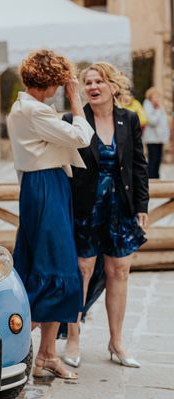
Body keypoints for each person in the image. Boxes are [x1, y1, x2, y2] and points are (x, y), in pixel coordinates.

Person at [7, 49, 94, 380]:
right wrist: (76, 101)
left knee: (43, 267)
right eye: (59, 84)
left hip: (41, 186)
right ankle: (29, 352)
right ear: (50, 83)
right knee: (56, 266)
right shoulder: (34, 111)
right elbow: (82, 137)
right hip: (46, 187)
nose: (62, 89)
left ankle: (45, 354)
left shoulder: (24, 108)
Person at [63, 62, 148, 369]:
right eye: (88, 82)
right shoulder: (74, 119)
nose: (93, 87)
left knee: (119, 271)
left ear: (113, 86)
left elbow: (139, 166)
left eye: (99, 81)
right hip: (87, 209)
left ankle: (117, 342)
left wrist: (142, 207)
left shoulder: (128, 119)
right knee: (82, 270)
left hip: (121, 209)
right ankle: (73, 338)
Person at [143, 87, 170, 179]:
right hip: (152, 139)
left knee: (158, 160)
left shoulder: (160, 106)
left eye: (158, 96)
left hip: (160, 138)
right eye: (155, 96)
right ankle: (151, 179)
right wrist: (158, 110)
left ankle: (157, 178)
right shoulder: (147, 105)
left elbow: (164, 122)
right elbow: (152, 121)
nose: (157, 99)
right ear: (150, 97)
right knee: (152, 160)